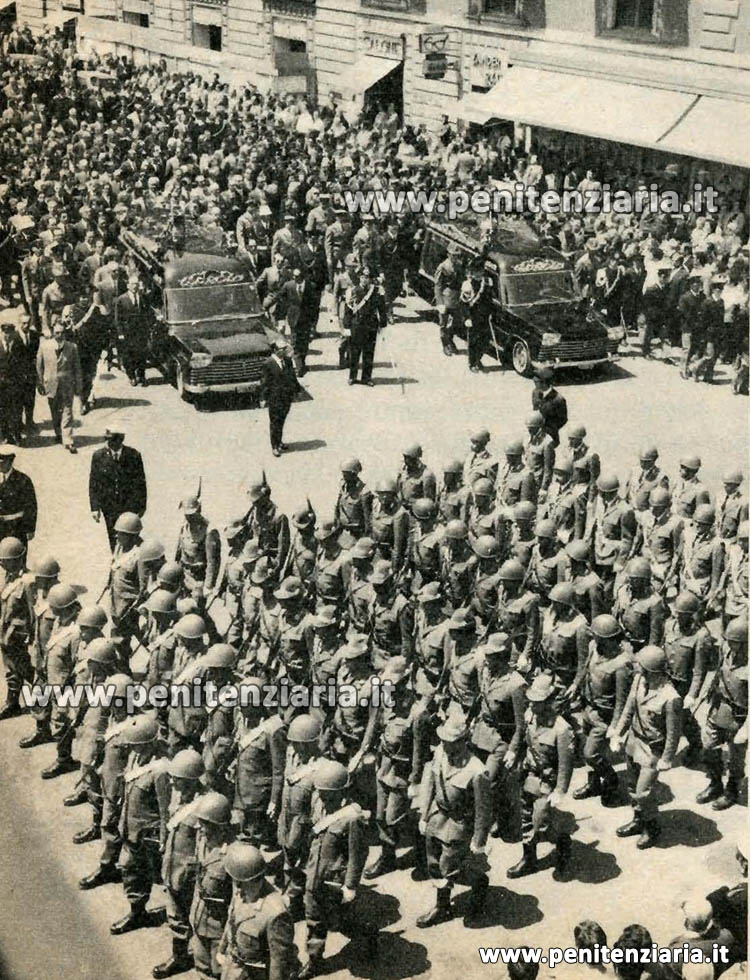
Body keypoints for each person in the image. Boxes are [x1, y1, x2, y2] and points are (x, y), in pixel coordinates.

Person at [218, 841, 296, 980]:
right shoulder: (241, 893)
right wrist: (221, 949)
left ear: (248, 880)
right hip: (233, 968)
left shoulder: (275, 912)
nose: (236, 886)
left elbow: (279, 962)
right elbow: (231, 922)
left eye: (237, 882)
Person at [89, 425, 148, 551]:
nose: (109, 444)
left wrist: (141, 506)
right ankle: (116, 561)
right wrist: (95, 507)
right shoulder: (98, 456)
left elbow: (140, 483)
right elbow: (94, 483)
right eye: (108, 440)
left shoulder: (134, 455)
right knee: (113, 536)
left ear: (121, 439)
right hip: (109, 507)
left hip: (128, 506)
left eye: (113, 440)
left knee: (130, 535)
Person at [36, 319, 82, 453]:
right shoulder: (45, 346)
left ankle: (68, 440)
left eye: (61, 333)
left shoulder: (72, 347)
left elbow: (77, 368)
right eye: (56, 332)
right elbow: (39, 366)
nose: (59, 335)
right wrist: (40, 382)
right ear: (52, 332)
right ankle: (58, 433)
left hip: (67, 385)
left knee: (68, 411)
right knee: (55, 411)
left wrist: (79, 385)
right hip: (50, 384)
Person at [344, 266, 386, 387]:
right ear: (359, 278)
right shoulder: (353, 290)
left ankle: (366, 378)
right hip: (356, 324)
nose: (364, 280)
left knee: (369, 352)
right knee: (355, 352)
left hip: (371, 325)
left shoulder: (377, 291)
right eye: (362, 277)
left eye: (367, 277)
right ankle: (352, 377)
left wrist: (383, 325)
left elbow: (382, 308)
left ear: (371, 279)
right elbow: (348, 310)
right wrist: (347, 327)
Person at [260, 340, 299, 457]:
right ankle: (274, 446)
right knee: (274, 422)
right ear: (275, 350)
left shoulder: (287, 361)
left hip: (286, 396)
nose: (285, 350)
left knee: (282, 420)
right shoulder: (268, 363)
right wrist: (263, 398)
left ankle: (280, 441)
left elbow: (292, 376)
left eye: (285, 348)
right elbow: (264, 383)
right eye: (282, 348)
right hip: (274, 397)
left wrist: (297, 390)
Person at [0, 444, 37, 545]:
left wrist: (30, 528)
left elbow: (31, 505)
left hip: (15, 528)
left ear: (10, 461)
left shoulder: (23, 480)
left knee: (14, 556)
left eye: (2, 463)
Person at [0, 319, 26, 444]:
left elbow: (23, 362)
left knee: (16, 410)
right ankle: (5, 435)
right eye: (5, 333)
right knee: (3, 410)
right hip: (1, 384)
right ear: (2, 333)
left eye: (9, 333)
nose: (7, 335)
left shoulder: (18, 344)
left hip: (15, 383)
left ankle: (17, 435)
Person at [532, 367, 568, 448]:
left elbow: (563, 419)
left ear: (544, 383)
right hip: (535, 436)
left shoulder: (559, 399)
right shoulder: (535, 392)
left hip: (551, 439)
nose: (534, 382)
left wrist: (550, 427)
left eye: (536, 382)